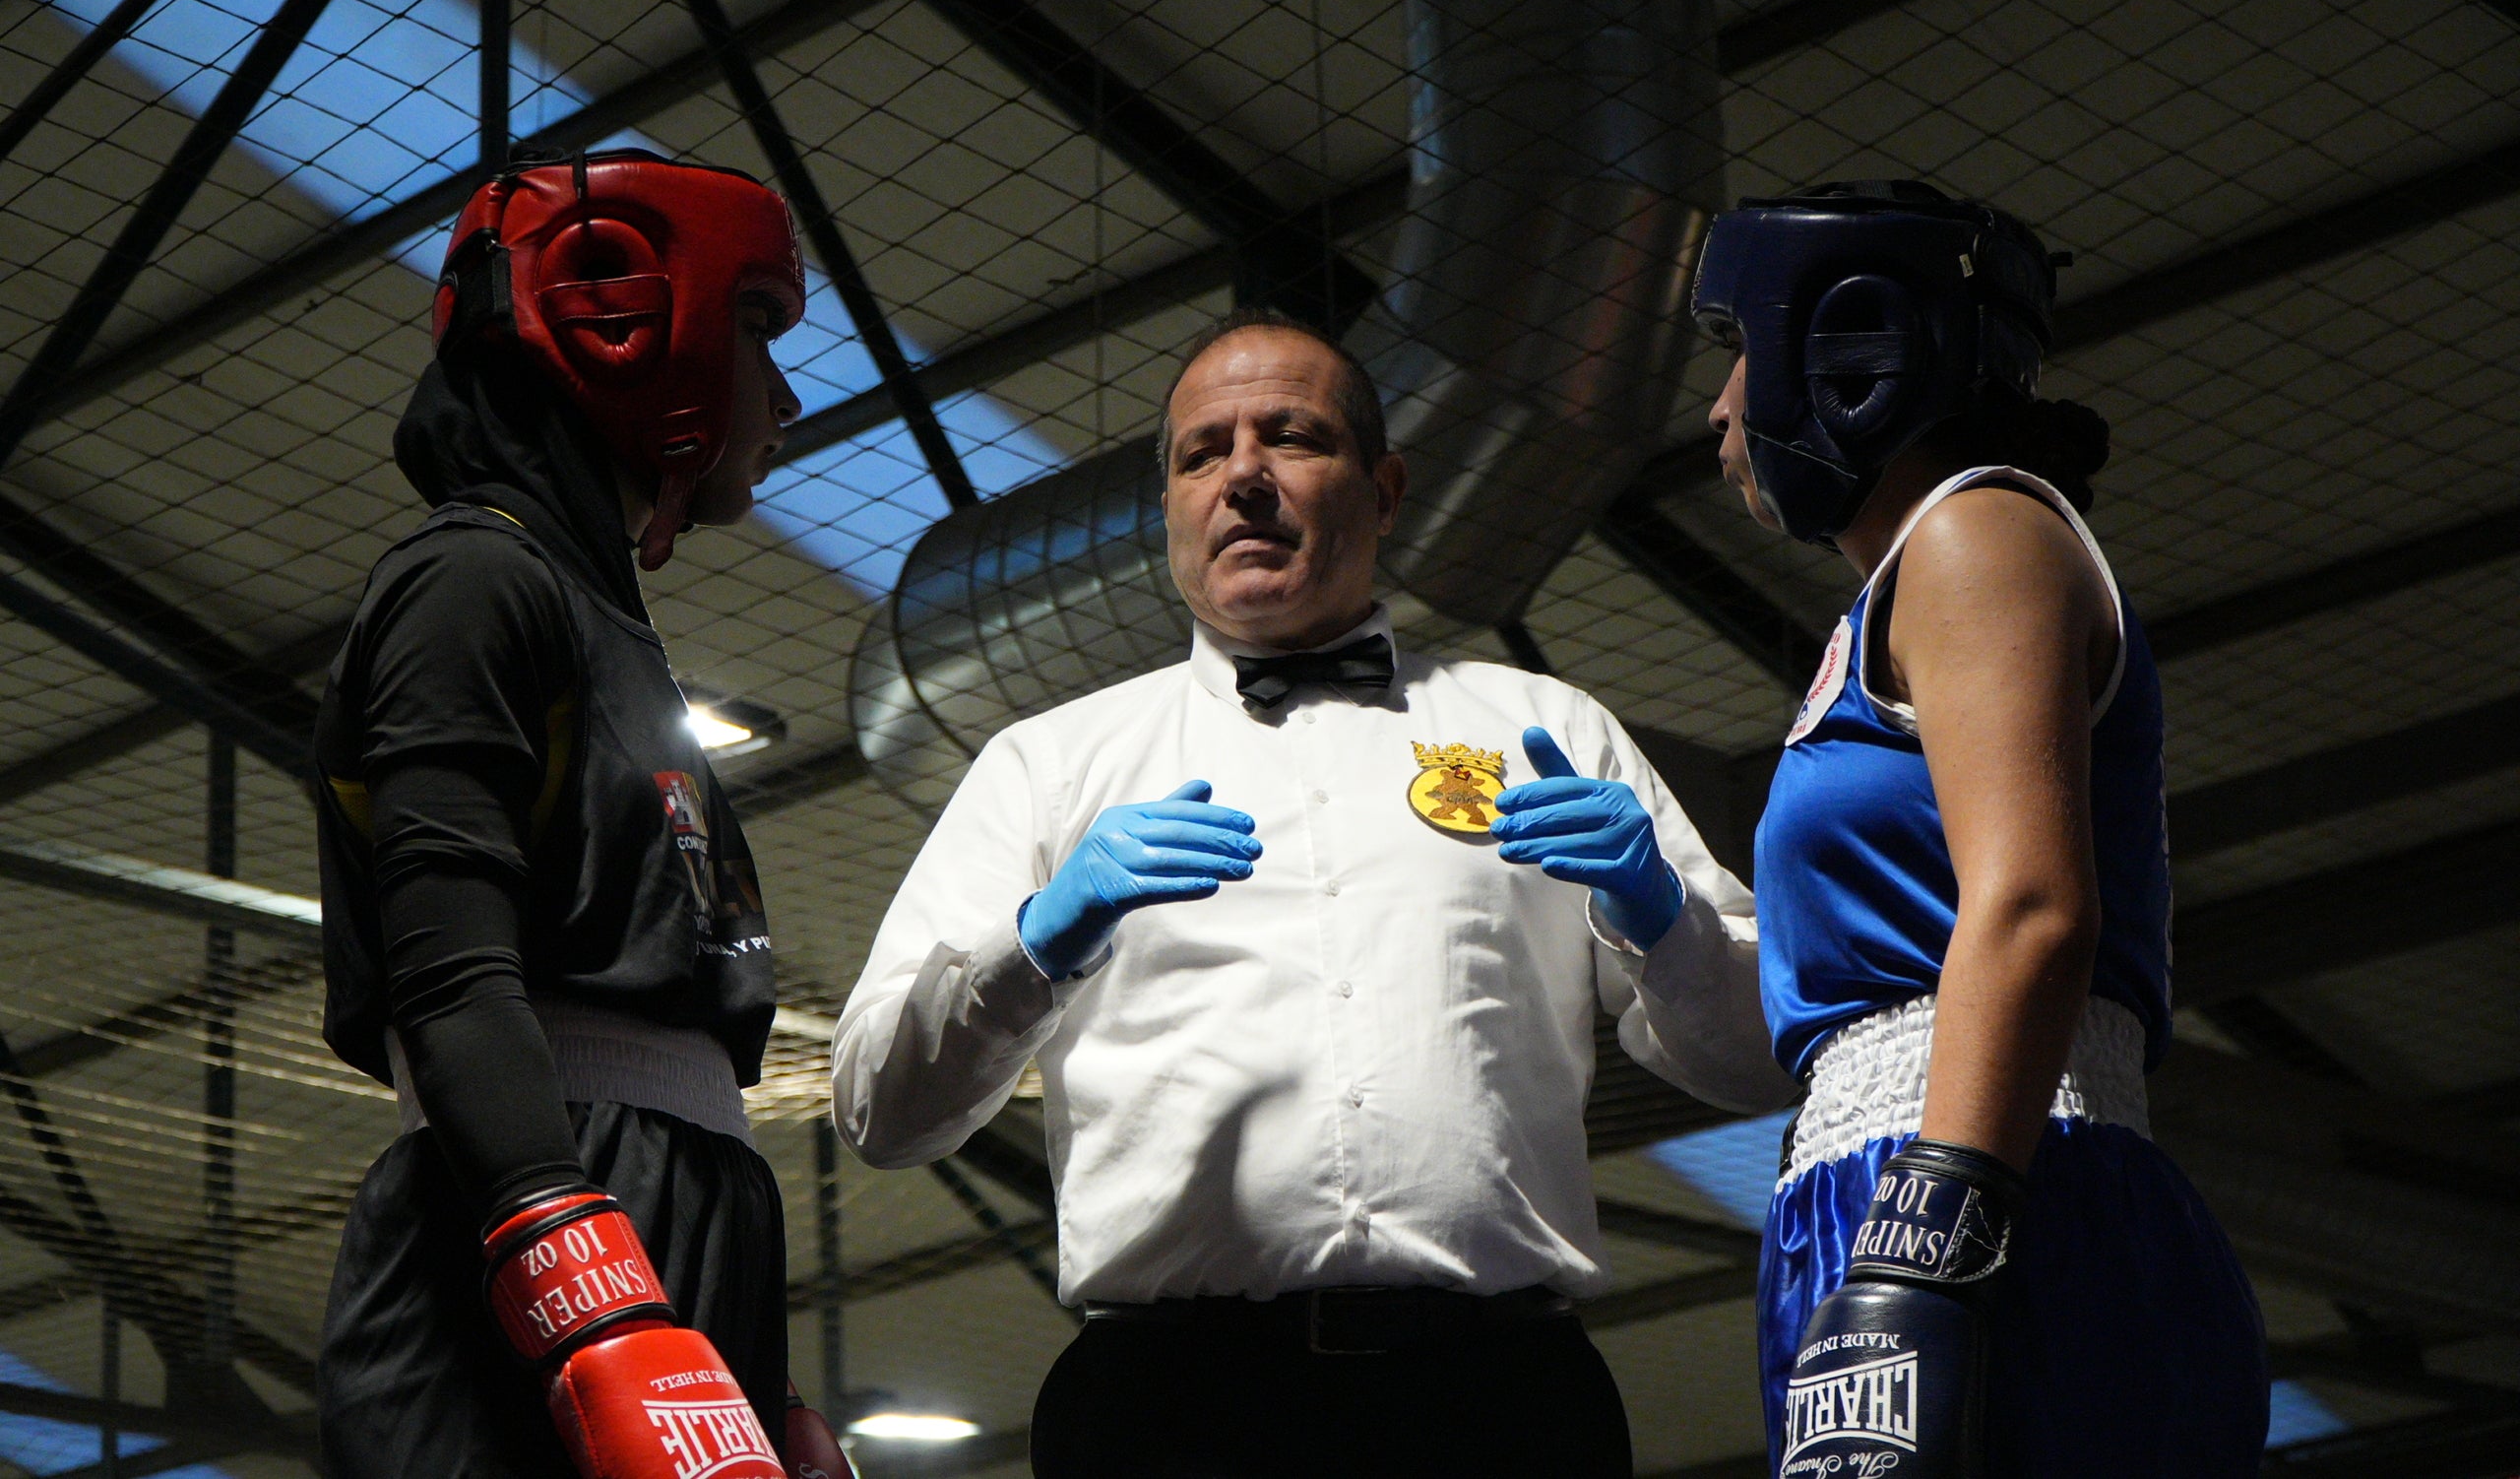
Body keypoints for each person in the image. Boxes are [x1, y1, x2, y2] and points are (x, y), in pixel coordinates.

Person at [832, 308, 1796, 1478]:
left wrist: (1663, 916)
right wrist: (1037, 945)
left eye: (1289, 436)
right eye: (1202, 452)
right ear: (1171, 508)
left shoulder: (1544, 727)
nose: (1242, 475)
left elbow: (1756, 1057)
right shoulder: (1047, 764)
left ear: (1383, 490)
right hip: (1168, 1410)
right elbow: (880, 1111)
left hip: (1498, 1401)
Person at [1693, 181, 2266, 1477]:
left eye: (1737, 348)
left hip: (1994, 1172)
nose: (1720, 405)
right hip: (1891, 1179)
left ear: (1844, 347)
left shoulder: (1979, 531)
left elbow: (2032, 906)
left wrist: (1925, 1240)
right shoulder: (1892, 599)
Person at [313, 150, 851, 1479]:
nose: (782, 395)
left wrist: (746, 1368)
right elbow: (445, 973)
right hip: (530, 1215)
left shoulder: (602, 622)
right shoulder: (471, 580)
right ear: (625, 323)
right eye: (756, 331)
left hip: (669, 1203)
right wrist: (585, 1282)